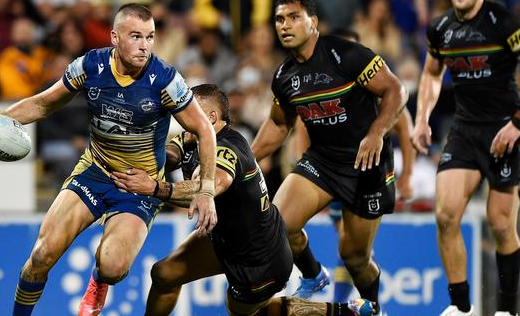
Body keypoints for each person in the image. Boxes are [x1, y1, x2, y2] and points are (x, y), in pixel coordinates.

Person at [0, 3, 218, 316]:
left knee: (113, 267)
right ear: (114, 37)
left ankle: (98, 281)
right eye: (136, 36)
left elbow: (204, 129)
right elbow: (45, 104)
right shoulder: (90, 66)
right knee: (42, 256)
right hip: (94, 172)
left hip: (138, 186)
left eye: (150, 37)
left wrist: (206, 190)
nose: (144, 46)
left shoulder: (165, 79)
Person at [111, 84, 377, 316]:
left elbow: (211, 186)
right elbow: (171, 152)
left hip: (260, 258)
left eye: (187, 109)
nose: (182, 115)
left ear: (211, 117)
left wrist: (156, 188)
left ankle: (341, 311)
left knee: (247, 313)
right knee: (164, 274)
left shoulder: (229, 149)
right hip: (225, 240)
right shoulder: (194, 135)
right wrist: (142, 152)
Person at [251, 0, 408, 316]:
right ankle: (312, 274)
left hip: (367, 163)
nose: (285, 25)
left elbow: (396, 90)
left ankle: (375, 309)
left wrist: (376, 132)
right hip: (323, 160)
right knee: (277, 224)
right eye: (279, 19)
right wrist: (243, 161)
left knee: (354, 258)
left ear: (314, 22)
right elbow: (279, 126)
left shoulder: (346, 54)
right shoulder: (284, 76)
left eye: (293, 17)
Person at [411, 0, 520, 316]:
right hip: (464, 129)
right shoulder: (440, 28)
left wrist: (519, 123)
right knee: (446, 215)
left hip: (504, 129)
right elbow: (431, 75)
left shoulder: (504, 23)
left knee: (500, 224)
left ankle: (507, 310)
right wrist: (421, 119)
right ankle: (461, 307)